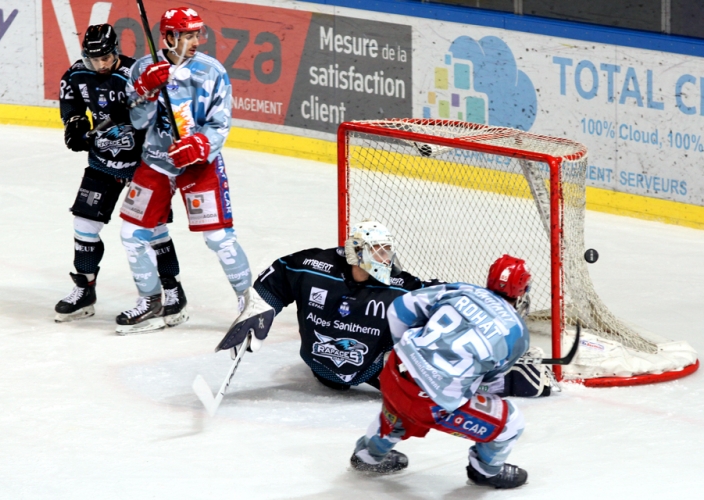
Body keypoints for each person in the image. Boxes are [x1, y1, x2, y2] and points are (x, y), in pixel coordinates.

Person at [115, 7, 252, 334]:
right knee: (131, 234)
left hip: (198, 165)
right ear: (168, 37)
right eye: (187, 35)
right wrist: (144, 91)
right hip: (156, 160)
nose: (195, 41)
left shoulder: (212, 71)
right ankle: (151, 301)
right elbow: (137, 121)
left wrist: (200, 144)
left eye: (195, 35)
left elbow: (220, 123)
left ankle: (249, 302)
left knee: (218, 237)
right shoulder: (143, 68)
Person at [350, 255, 533, 489]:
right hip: (431, 404)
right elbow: (488, 384)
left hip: (394, 373)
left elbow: (398, 310)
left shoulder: (461, 290)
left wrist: (412, 356)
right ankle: (484, 471)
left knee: (399, 408)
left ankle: (368, 456)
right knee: (511, 422)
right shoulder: (518, 334)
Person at [55, 24, 188, 328]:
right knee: (84, 224)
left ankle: (172, 290)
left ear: (116, 51)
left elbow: (165, 112)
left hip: (144, 165)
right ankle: (84, 289)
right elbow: (72, 101)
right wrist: (74, 123)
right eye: (93, 59)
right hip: (102, 161)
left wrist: (142, 112)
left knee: (152, 230)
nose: (100, 64)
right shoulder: (77, 74)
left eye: (105, 57)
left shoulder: (136, 74)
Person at [216, 220, 444, 390]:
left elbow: (432, 296)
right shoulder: (313, 268)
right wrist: (258, 310)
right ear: (358, 252)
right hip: (321, 367)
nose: (387, 259)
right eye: (379, 251)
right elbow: (279, 279)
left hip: (375, 367)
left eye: (388, 250)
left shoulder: (400, 287)